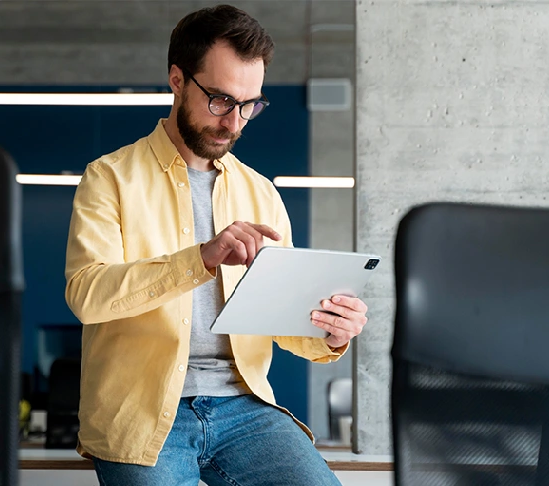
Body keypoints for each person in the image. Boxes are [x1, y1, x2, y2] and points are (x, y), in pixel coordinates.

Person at [65, 4, 369, 485]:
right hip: (143, 411)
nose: (235, 123)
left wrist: (329, 331)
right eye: (221, 101)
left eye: (250, 105)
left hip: (245, 410)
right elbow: (87, 294)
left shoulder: (260, 191)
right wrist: (200, 259)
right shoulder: (109, 178)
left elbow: (282, 321)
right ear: (177, 80)